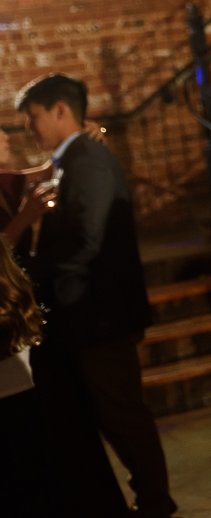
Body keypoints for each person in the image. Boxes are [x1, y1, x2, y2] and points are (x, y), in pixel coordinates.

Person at [14, 74, 175, 518]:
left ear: (61, 111)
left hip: (101, 316)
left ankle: (155, 501)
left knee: (122, 414)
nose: (29, 126)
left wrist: (25, 271)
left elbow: (87, 242)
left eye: (34, 116)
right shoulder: (74, 158)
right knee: (110, 413)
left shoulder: (87, 161)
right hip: (89, 316)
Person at [0, 131, 61, 518]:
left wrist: (82, 140)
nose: (5, 138)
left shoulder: (4, 179)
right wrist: (25, 218)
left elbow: (42, 171)